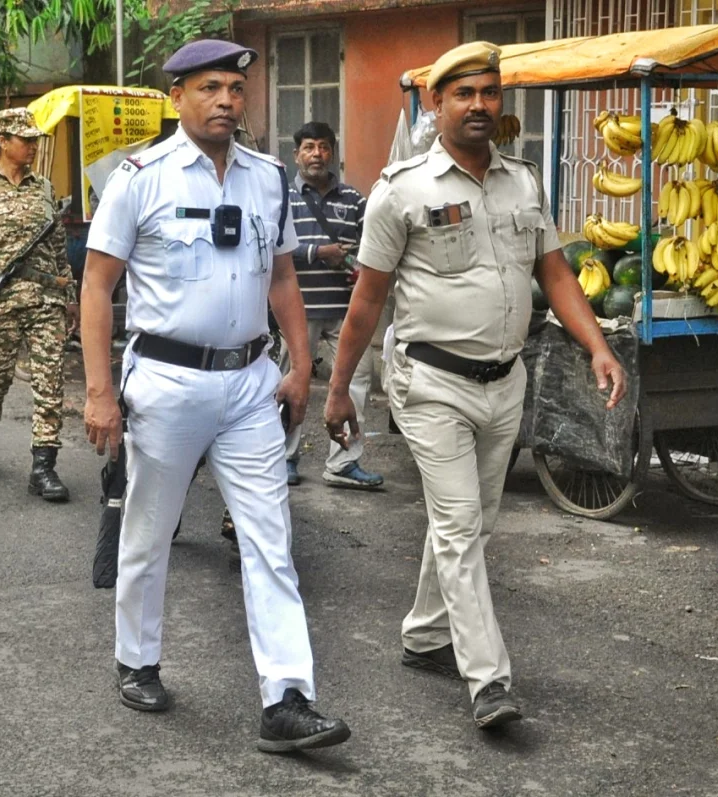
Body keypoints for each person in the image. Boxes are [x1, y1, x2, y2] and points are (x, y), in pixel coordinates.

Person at [322, 42, 627, 729]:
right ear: (437, 104)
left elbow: (553, 271)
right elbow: (367, 302)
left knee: (472, 522)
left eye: (490, 92)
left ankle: (425, 633)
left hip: (505, 382)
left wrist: (599, 347)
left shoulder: (522, 181)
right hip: (431, 383)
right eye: (465, 94)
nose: (481, 105)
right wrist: (339, 389)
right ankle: (488, 679)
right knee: (460, 525)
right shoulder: (402, 190)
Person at [81, 39, 350, 753]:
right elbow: (98, 287)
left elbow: (283, 277)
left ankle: (288, 696)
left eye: (235, 87)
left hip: (249, 382)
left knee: (271, 538)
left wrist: (300, 366)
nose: (227, 99)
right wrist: (101, 391)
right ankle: (137, 658)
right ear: (177, 98)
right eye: (209, 87)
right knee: (149, 529)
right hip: (166, 382)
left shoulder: (267, 177)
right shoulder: (138, 176)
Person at [0, 108, 78, 502]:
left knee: (49, 381)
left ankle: (44, 466)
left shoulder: (43, 189)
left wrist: (69, 296)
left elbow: (57, 249)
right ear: (3, 142)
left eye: (35, 139)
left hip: (44, 302)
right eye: (26, 139)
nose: (33, 146)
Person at [283, 120, 383, 490]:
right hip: (297, 311)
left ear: (333, 153)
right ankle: (285, 458)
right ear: (297, 155)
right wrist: (316, 252)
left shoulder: (354, 200)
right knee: (294, 381)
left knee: (356, 379)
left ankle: (343, 462)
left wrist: (361, 269)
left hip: (344, 310)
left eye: (324, 147)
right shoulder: (283, 199)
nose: (316, 155)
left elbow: (371, 245)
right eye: (309, 147)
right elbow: (272, 250)